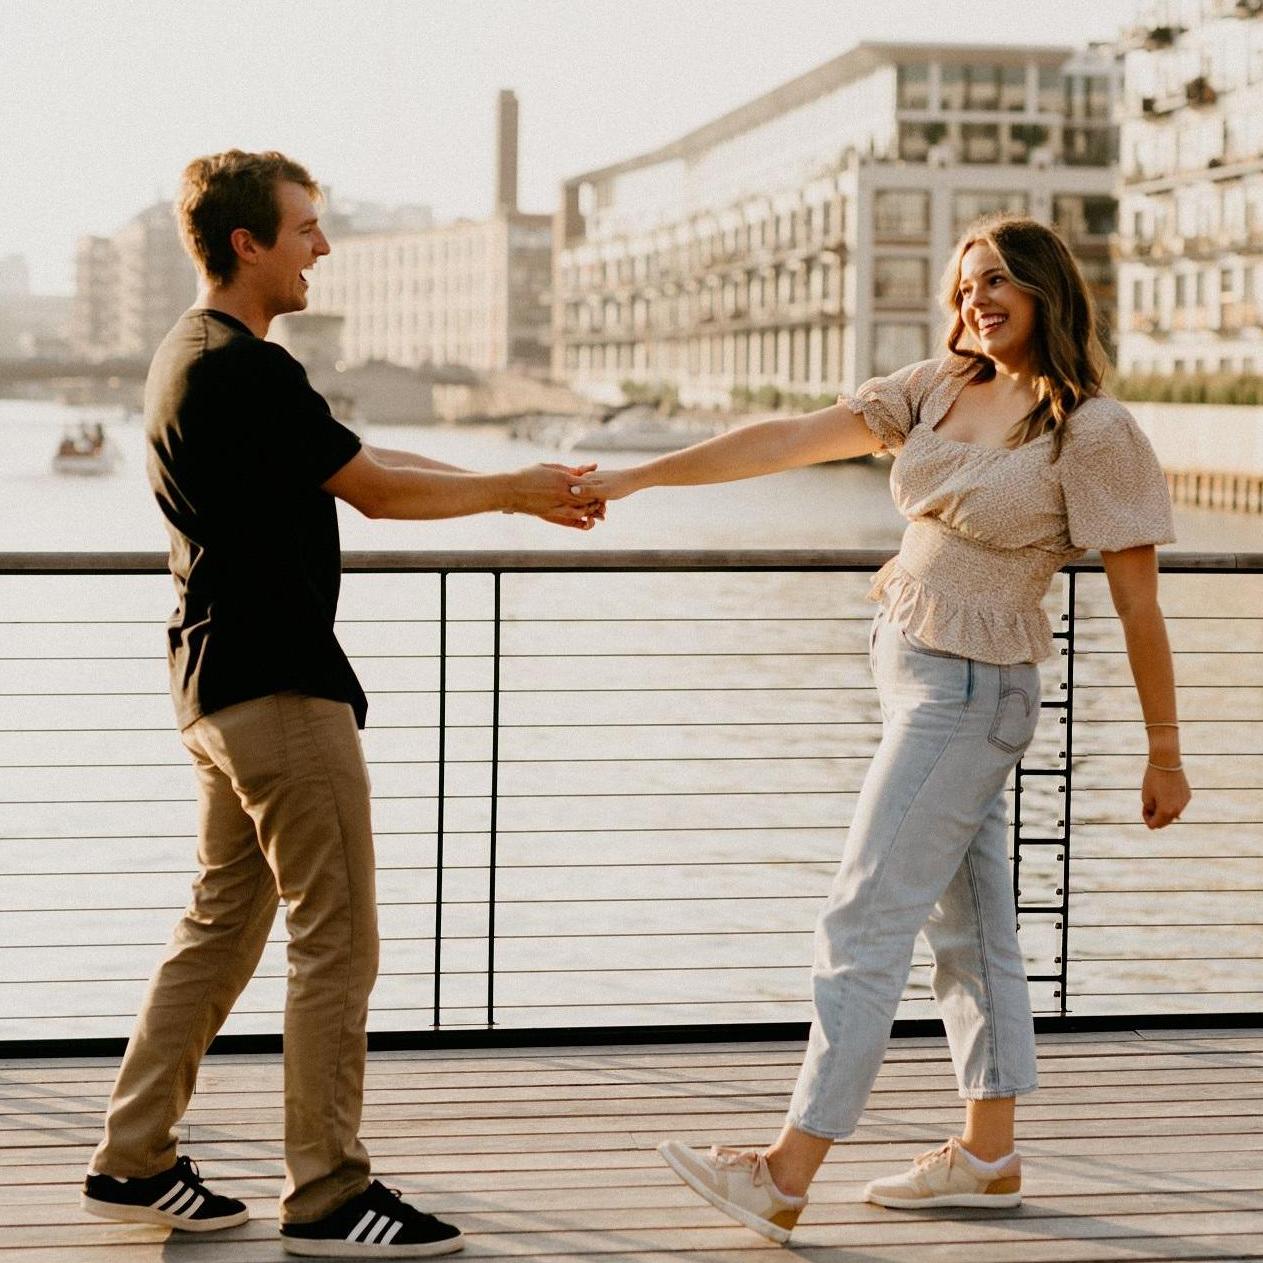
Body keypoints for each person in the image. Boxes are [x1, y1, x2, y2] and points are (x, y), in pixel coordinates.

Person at [583, 214, 1192, 1244]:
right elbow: (783, 440)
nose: (975, 302)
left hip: (972, 696)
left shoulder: (1090, 431)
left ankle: (785, 1169)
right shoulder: (941, 386)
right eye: (963, 286)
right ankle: (988, 1154)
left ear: (1047, 288)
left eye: (996, 281)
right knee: (971, 928)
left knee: (862, 920)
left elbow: (1138, 604)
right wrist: (639, 477)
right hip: (911, 670)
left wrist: (1166, 750)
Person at [80, 149, 601, 1259]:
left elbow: (355, 460)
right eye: (306, 227)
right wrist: (509, 491)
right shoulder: (247, 368)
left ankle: (133, 1155)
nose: (323, 246)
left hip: (212, 689)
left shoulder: (192, 355)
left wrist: (503, 483)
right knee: (340, 938)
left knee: (222, 925)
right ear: (246, 244)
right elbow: (371, 490)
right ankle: (327, 1193)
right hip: (279, 688)